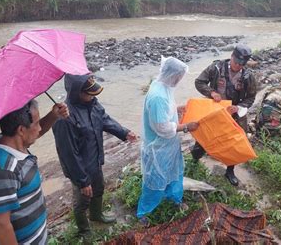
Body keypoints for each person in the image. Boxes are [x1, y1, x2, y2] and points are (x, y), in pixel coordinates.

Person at [52, 74, 138, 238]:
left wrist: (125, 133)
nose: (93, 96)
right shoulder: (64, 119)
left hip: (95, 161)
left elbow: (105, 119)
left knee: (98, 188)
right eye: (89, 93)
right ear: (77, 92)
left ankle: (96, 215)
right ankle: (84, 231)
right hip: (80, 168)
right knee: (82, 199)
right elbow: (69, 155)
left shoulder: (92, 104)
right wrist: (82, 181)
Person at [0, 99, 69, 244]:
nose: (40, 128)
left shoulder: (13, 143)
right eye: (36, 124)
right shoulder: (4, 171)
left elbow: (34, 134)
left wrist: (54, 115)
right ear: (21, 130)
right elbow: (0, 224)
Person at [137, 56, 199, 226]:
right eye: (179, 76)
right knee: (155, 179)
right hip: (158, 148)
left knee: (174, 172)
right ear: (172, 75)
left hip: (169, 146)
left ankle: (175, 198)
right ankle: (144, 212)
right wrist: (187, 126)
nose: (180, 80)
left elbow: (164, 112)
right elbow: (162, 128)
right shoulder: (157, 96)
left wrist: (177, 109)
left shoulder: (163, 86)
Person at [193, 44, 257, 186]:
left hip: (234, 114)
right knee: (204, 137)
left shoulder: (248, 76)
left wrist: (239, 107)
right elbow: (199, 82)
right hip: (214, 112)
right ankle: (194, 161)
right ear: (231, 57)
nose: (238, 66)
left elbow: (251, 98)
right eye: (236, 62)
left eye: (241, 64)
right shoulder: (216, 68)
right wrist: (211, 92)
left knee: (234, 143)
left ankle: (230, 171)